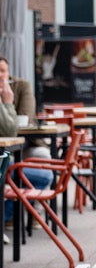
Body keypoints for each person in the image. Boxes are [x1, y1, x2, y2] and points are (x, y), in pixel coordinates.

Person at [0, 57, 54, 232]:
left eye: (3, 70)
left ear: (9, 72)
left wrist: (7, 103)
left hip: (25, 144)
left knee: (43, 157)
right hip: (6, 151)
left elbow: (26, 116)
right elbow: (10, 129)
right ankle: (12, 213)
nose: (0, 75)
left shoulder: (21, 86)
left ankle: (22, 210)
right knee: (34, 175)